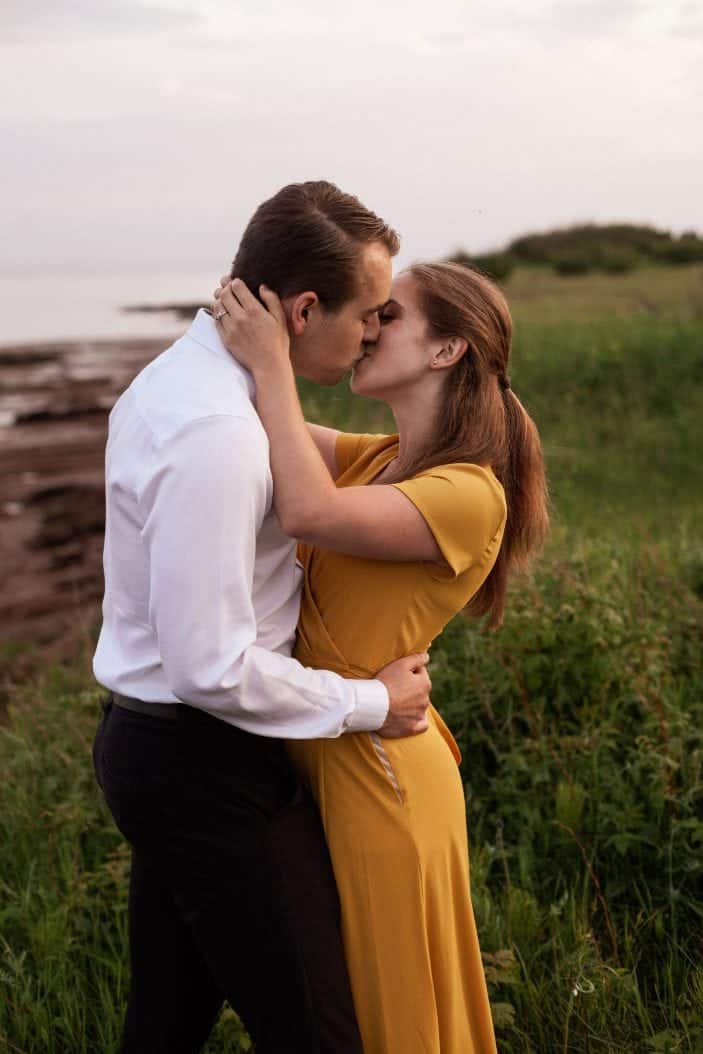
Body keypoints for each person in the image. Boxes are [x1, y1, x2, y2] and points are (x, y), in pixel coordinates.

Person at [91, 181, 434, 1054]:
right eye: (367, 314)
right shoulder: (214, 430)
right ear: (305, 307)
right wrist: (369, 703)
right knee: (318, 1030)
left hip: (169, 747)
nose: (372, 333)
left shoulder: (191, 382)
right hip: (202, 759)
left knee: (166, 1022)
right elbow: (209, 664)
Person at [213, 257, 550, 1053]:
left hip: (382, 779)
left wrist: (267, 358)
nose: (365, 326)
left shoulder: (468, 493)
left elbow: (303, 508)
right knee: (333, 1009)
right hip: (327, 753)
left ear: (446, 351)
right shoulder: (377, 459)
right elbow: (265, 429)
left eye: (386, 314)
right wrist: (257, 322)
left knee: (387, 1009)